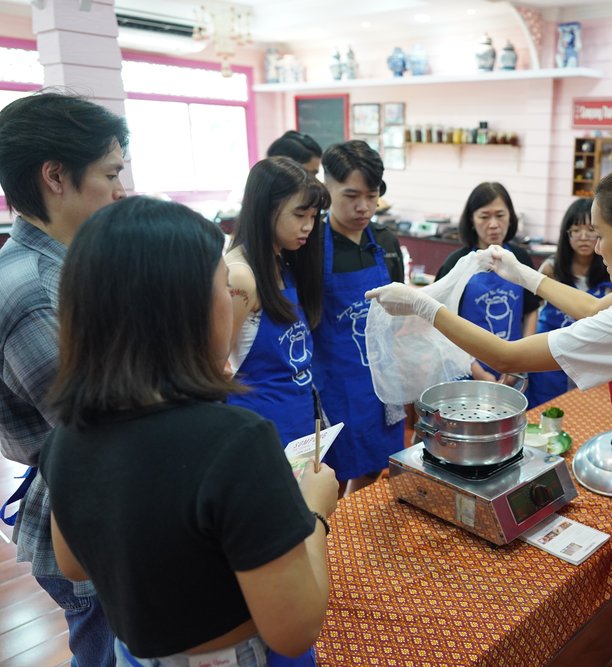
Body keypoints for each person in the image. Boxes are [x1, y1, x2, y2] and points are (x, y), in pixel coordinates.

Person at [367, 151, 612, 665]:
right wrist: (524, 275)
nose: (594, 244)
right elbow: (598, 307)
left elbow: (505, 354)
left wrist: (424, 305)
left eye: (600, 232)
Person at [38, 196, 338, 666]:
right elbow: (294, 629)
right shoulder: (236, 440)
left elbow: (74, 563)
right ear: (187, 308)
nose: (232, 298)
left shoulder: (68, 434)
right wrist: (314, 513)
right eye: (224, 284)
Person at [0, 91, 128, 665]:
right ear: (56, 176)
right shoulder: (33, 292)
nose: (120, 190)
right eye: (110, 174)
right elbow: (103, 431)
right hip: (85, 520)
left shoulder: (71, 264)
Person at [313, 140, 405, 495]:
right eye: (351, 195)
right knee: (327, 476)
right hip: (334, 381)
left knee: (375, 465)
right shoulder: (311, 246)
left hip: (383, 380)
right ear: (327, 187)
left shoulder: (384, 241)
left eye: (372, 194)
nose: (364, 206)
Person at [226, 157, 329, 448]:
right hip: (260, 425)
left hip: (298, 414)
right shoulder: (240, 276)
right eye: (299, 215)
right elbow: (213, 365)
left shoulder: (283, 261)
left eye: (313, 216)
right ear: (266, 209)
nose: (308, 226)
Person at [434, 182, 540, 382]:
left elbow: (531, 310)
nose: (493, 224)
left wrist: (521, 362)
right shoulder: (457, 263)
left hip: (514, 369)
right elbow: (442, 323)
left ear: (511, 217)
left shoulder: (520, 258)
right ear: (472, 220)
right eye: (484, 216)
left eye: (500, 215)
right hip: (465, 371)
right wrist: (476, 370)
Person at [526, 197, 612, 408]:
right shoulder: (551, 268)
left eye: (590, 229)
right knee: (545, 412)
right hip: (550, 356)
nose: (583, 237)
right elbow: (530, 308)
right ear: (567, 234)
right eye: (576, 230)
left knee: (585, 413)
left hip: (593, 358)